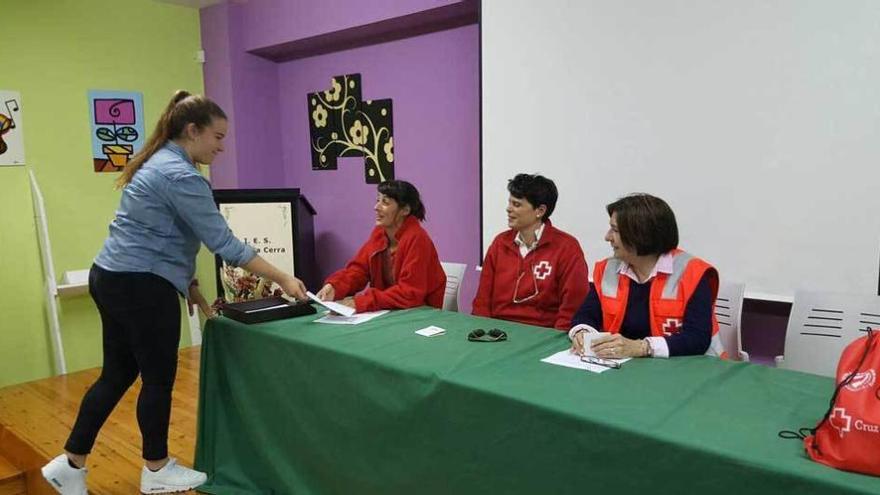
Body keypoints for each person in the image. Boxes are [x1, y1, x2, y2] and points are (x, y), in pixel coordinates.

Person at [41, 91, 307, 495]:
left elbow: (167, 236)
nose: (221, 147)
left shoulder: (160, 161)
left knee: (117, 375)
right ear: (192, 130)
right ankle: (156, 468)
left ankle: (71, 464)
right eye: (217, 137)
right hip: (141, 286)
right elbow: (226, 245)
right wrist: (285, 278)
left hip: (112, 276)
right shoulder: (181, 176)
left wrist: (193, 289)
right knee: (159, 379)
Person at [569, 193, 725, 359]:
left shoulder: (692, 272)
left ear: (639, 234)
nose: (607, 237)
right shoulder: (608, 269)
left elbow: (697, 339)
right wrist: (583, 332)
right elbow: (586, 314)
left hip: (693, 370)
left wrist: (643, 347)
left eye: (614, 230)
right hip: (629, 368)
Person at [472, 173, 589, 330]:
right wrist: (481, 331)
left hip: (543, 334)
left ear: (540, 210)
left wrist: (556, 341)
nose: (508, 209)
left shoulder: (567, 248)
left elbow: (572, 309)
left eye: (517, 204)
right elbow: (482, 301)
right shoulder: (500, 243)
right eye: (509, 203)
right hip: (497, 332)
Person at [315, 180, 446, 312]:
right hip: (389, 311)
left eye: (385, 202)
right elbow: (358, 270)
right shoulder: (379, 233)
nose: (376, 207)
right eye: (378, 200)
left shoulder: (417, 238)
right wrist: (334, 286)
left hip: (420, 315)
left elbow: (410, 294)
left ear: (405, 210)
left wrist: (360, 302)